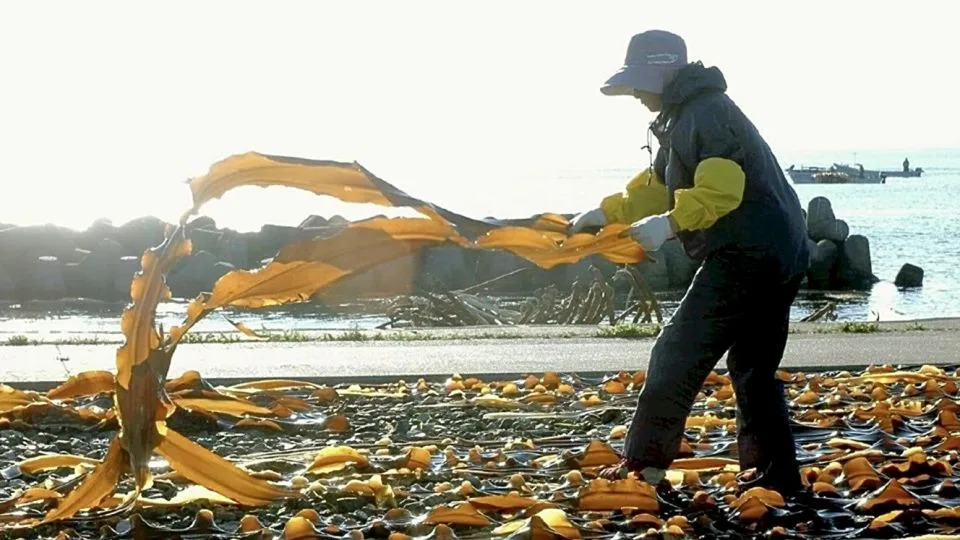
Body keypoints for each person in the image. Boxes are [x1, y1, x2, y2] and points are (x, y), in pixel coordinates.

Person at [570, 30, 810, 494]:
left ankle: (644, 465)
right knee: (753, 369)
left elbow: (721, 191)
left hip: (749, 253)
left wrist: (670, 225)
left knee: (676, 352)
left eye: (639, 83)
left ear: (662, 73)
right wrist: (607, 212)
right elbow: (659, 185)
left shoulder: (706, 114)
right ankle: (775, 476)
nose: (635, 95)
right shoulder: (686, 113)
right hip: (783, 249)